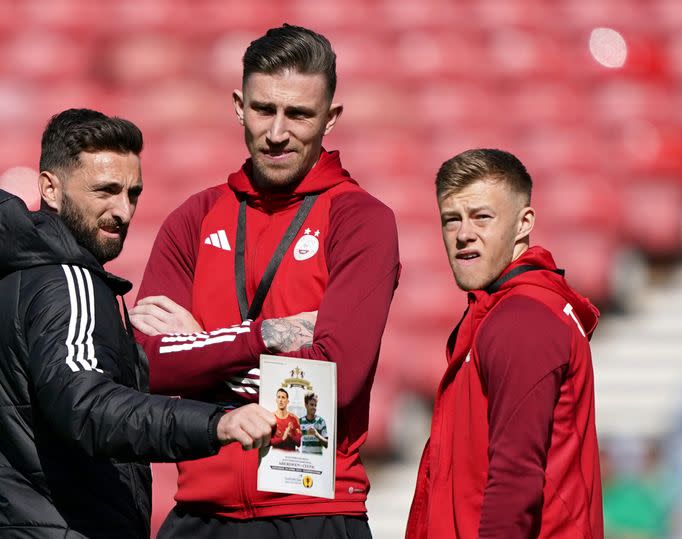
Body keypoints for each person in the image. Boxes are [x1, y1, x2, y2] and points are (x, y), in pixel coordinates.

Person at [0, 108, 277, 539]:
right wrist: (216, 423)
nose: (123, 210)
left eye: (133, 193)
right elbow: (87, 406)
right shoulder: (71, 281)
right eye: (105, 191)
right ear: (50, 189)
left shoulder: (1, 288)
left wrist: (21, 505)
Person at [130, 24, 400, 539]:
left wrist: (200, 351)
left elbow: (334, 382)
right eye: (263, 110)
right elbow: (143, 366)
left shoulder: (361, 220)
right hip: (198, 514)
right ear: (238, 105)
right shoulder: (195, 217)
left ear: (331, 119)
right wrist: (268, 339)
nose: (277, 133)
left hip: (315, 513)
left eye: (299, 114)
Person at [405, 149, 603, 538]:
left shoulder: (522, 319)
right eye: (451, 220)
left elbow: (515, 478)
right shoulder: (499, 312)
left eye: (482, 217)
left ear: (523, 223)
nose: (463, 234)